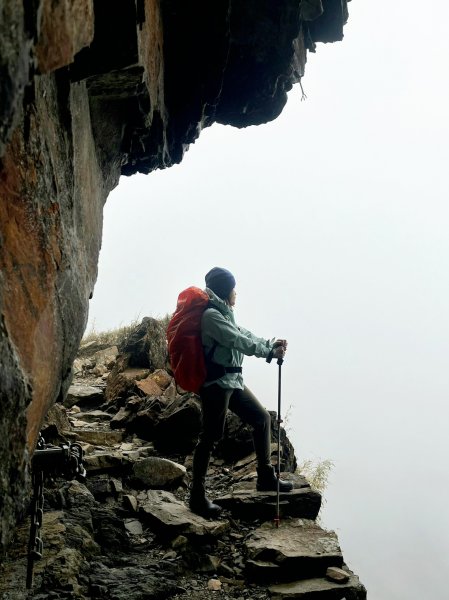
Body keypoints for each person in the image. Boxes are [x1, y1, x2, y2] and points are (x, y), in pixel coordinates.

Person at [189, 267, 293, 518]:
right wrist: (267, 353)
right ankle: (197, 497)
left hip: (232, 380)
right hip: (216, 384)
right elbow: (237, 340)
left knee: (262, 419)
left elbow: (243, 333)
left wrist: (270, 344)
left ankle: (265, 477)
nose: (236, 292)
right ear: (225, 291)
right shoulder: (211, 317)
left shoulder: (224, 312)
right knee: (211, 436)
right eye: (233, 288)